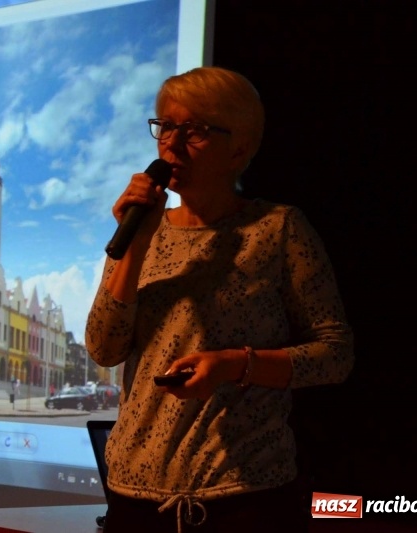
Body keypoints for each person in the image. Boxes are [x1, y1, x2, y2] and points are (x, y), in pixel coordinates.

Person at [85, 66, 354, 533]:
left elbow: (335, 355)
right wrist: (137, 243)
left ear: (240, 150)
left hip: (244, 500)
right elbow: (103, 348)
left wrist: (235, 364)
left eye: (195, 130)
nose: (171, 143)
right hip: (133, 498)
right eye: (165, 126)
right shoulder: (141, 228)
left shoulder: (278, 229)